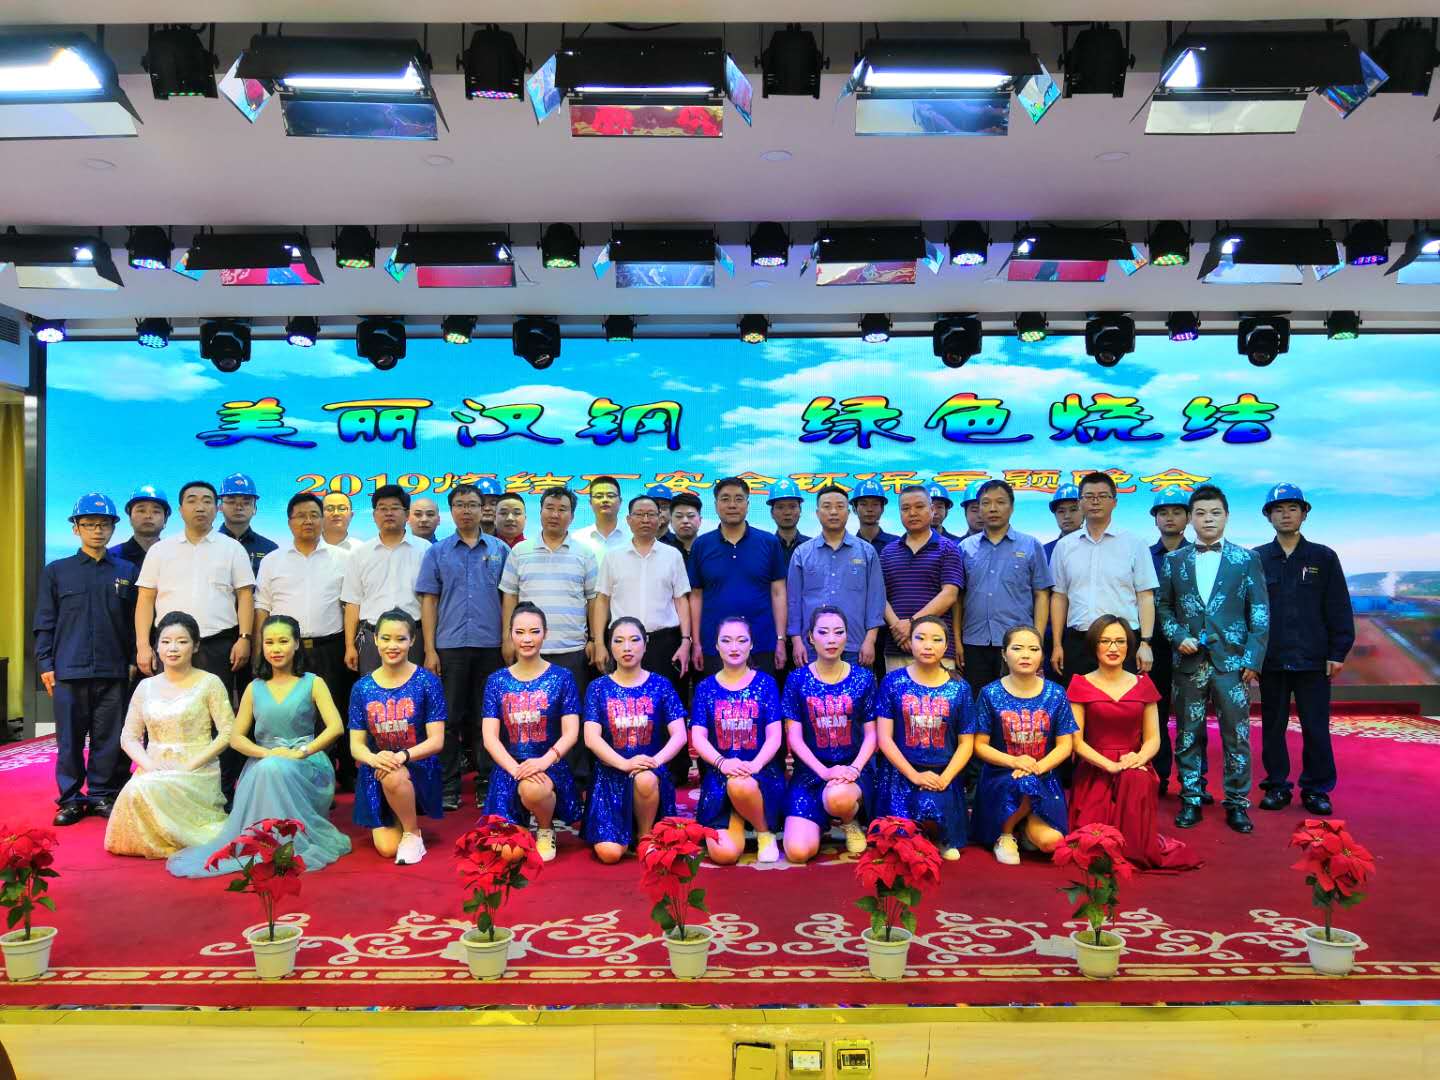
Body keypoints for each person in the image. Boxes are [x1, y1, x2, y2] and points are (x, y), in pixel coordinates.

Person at [167, 614, 352, 877]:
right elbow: (236, 738)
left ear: (296, 643)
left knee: (272, 769)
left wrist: (301, 752)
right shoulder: (254, 688)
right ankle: (269, 844)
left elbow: (336, 728)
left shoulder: (313, 682)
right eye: (269, 642)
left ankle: (288, 842)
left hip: (306, 763)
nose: (276, 649)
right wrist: (269, 754)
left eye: (283, 641)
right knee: (270, 768)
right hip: (264, 762)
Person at [1157, 485, 1270, 834]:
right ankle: (1191, 797)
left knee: (1237, 735)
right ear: (1190, 519)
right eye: (1201, 513)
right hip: (1188, 664)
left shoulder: (1246, 559)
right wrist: (1178, 637)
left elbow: (1260, 611)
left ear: (1227, 516)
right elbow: (1163, 607)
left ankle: (1237, 803)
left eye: (1215, 513)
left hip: (1233, 664)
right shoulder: (1174, 561)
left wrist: (1253, 658)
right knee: (1187, 734)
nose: (1208, 519)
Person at [135, 480, 254, 805]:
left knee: (219, 720)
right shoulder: (161, 550)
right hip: (171, 648)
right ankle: (167, 784)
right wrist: (143, 645)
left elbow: (245, 596)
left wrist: (244, 638)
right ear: (180, 509)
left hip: (219, 645)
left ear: (216, 508)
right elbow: (145, 599)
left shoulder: (232, 549)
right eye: (192, 500)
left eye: (206, 500)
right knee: (169, 717)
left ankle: (221, 790)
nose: (200, 506)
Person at [1067, 616, 1201, 872]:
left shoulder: (1143, 684)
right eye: (1106, 641)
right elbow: (1076, 742)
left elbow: (1153, 739)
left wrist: (1136, 759)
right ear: (1094, 645)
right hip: (1094, 766)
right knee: (1091, 848)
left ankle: (1135, 849)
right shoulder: (1080, 684)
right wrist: (1109, 765)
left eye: (1120, 641)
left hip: (1133, 763)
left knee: (1136, 779)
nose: (1113, 648)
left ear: (1129, 646)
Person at [1255, 483, 1355, 816]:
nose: (1286, 514)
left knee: (1316, 726)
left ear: (1304, 514)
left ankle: (1316, 789)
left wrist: (1338, 652)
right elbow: (1248, 610)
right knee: (1273, 726)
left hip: (1313, 659)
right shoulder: (1257, 559)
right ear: (1269, 516)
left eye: (1292, 508)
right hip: (1271, 659)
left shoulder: (1323, 557)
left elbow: (1338, 606)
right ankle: (1277, 785)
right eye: (1278, 509)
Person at [36, 493, 136, 825]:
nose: (97, 530)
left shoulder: (126, 571)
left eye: (104, 524)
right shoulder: (57, 571)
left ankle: (100, 795)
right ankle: (70, 800)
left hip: (113, 669)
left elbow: (134, 623)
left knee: (108, 739)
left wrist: (132, 661)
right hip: (68, 670)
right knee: (69, 740)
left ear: (113, 528)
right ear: (76, 528)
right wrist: (45, 664)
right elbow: (44, 622)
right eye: (90, 524)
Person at [105, 612, 233, 858]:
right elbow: (128, 737)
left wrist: (190, 765)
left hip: (197, 769)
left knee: (142, 789)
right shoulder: (145, 686)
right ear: (156, 647)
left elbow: (228, 732)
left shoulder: (210, 683)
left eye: (182, 641)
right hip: (154, 767)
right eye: (165, 642)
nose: (173, 648)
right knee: (136, 789)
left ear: (195, 646)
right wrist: (149, 765)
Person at [417, 483, 510, 811]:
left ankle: (487, 782)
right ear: (451, 510)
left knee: (488, 718)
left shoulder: (500, 550)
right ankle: (448, 785)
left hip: (491, 645)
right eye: (459, 505)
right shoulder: (437, 552)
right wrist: (430, 649)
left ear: (483, 509)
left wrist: (508, 640)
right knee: (449, 718)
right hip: (450, 646)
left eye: (472, 504)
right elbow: (429, 601)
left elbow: (509, 599)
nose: (466, 510)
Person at [253, 492, 352, 788]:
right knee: (295, 716)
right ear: (289, 522)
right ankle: (296, 775)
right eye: (300, 516)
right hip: (286, 652)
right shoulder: (273, 561)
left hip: (330, 646)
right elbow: (262, 607)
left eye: (313, 515)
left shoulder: (343, 558)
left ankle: (334, 776)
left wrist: (350, 645)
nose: (307, 521)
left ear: (322, 519)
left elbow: (350, 605)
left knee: (333, 712)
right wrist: (259, 648)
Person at [581, 618, 689, 864]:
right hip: (611, 777)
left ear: (645, 643)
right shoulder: (598, 688)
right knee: (609, 854)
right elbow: (591, 738)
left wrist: (654, 762)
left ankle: (644, 835)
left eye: (634, 640)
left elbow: (680, 735)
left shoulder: (661, 684)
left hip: (648, 775)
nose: (627, 648)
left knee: (645, 778)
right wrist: (625, 764)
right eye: (619, 641)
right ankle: (620, 835)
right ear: (610, 646)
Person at [481, 603, 582, 862]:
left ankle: (545, 828)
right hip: (509, 766)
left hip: (549, 765)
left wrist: (543, 762)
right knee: (507, 853)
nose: (527, 639)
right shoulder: (496, 681)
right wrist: (515, 770)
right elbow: (490, 738)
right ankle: (522, 825)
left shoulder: (562, 677)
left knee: (533, 789)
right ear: (510, 634)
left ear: (545, 634)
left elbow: (571, 732)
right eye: (520, 632)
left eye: (534, 632)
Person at [347, 609, 446, 864]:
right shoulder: (362, 688)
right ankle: (399, 815)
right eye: (386, 638)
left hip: (417, 765)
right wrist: (374, 759)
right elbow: (356, 746)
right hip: (378, 768)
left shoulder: (427, 682)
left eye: (401, 639)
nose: (393, 646)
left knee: (394, 775)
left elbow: (437, 741)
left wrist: (402, 756)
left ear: (412, 641)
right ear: (375, 640)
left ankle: (412, 833)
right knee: (387, 849)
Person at [875, 615, 977, 860]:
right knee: (899, 841)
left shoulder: (960, 687)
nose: (928, 645)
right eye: (920, 638)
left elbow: (966, 743)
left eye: (936, 640)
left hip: (943, 774)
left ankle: (938, 835)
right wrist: (914, 775)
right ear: (910, 642)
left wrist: (945, 778)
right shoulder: (893, 682)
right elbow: (884, 738)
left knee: (933, 810)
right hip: (901, 774)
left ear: (947, 645)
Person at [781, 608, 879, 863]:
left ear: (847, 636)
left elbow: (872, 735)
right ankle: (820, 819)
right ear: (811, 637)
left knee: (838, 798)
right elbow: (794, 738)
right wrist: (823, 772)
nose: (831, 639)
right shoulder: (796, 679)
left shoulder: (864, 678)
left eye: (838, 632)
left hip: (852, 772)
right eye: (823, 632)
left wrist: (854, 769)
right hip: (811, 772)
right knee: (797, 852)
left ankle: (849, 819)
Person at [973, 625, 1076, 864]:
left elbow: (1065, 746)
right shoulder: (990, 693)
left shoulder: (1056, 693)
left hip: (1042, 775)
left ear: (1042, 654)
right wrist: (1015, 762)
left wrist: (1036, 767)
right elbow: (979, 745)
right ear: (1004, 654)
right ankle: (1006, 834)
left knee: (1051, 843)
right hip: (1001, 776)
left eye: (1033, 649)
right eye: (1018, 648)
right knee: (1024, 783)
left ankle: (1024, 824)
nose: (1026, 655)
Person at [690, 616, 785, 864]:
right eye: (727, 640)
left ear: (751, 644)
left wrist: (755, 765)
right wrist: (722, 763)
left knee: (741, 785)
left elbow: (775, 736)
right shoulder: (705, 688)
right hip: (721, 775)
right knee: (724, 855)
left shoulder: (766, 683)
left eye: (742, 640)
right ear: (716, 645)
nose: (734, 647)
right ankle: (738, 815)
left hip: (760, 774)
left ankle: (764, 832)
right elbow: (698, 737)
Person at [1049, 472, 1158, 681]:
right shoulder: (1064, 546)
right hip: (1078, 642)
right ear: (1080, 502)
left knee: (1122, 700)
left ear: (1114, 502)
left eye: (1102, 496)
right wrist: (1057, 644)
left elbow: (1145, 596)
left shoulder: (1135, 543)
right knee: (1077, 699)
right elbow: (1059, 597)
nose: (1095, 501)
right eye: (1089, 496)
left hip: (1123, 641)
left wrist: (1146, 643)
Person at [500, 487, 601, 704]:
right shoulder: (520, 551)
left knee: (572, 711)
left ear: (572, 516)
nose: (555, 514)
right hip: (528, 648)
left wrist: (594, 639)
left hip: (572, 649)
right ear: (540, 512)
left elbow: (594, 599)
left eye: (562, 509)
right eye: (549, 508)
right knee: (531, 711)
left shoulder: (585, 553)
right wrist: (508, 639)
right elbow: (510, 597)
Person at [959, 479, 1053, 694]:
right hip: (974, 642)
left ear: (1011, 507)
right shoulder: (965, 548)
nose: (993, 508)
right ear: (979, 508)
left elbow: (1041, 594)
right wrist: (957, 640)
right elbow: (958, 598)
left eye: (1000, 502)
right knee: (977, 701)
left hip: (1018, 644)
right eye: (986, 503)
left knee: (1017, 702)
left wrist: (1036, 641)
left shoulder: (1031, 545)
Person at [689, 477, 788, 675]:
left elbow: (778, 593)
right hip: (714, 645)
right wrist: (697, 643)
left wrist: (780, 639)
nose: (732, 505)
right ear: (716, 505)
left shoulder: (769, 542)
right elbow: (696, 596)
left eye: (739, 499)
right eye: (725, 499)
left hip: (762, 642)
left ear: (748, 504)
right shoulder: (701, 545)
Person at [595, 495, 692, 684]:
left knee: (666, 697)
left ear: (660, 518)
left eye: (651, 514)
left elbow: (681, 600)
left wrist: (685, 640)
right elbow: (602, 600)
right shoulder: (613, 557)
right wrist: (599, 642)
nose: (645, 520)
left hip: (664, 643)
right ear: (628, 520)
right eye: (639, 514)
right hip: (623, 643)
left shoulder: (672, 555)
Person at [786, 485, 885, 668]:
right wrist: (797, 640)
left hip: (856, 646)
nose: (833, 512)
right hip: (812, 647)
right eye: (827, 506)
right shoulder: (802, 553)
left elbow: (875, 600)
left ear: (848, 512)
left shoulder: (866, 552)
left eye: (840, 506)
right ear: (817, 513)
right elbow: (793, 600)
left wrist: (870, 640)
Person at [342, 484, 428, 675]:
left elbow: (431, 602)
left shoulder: (425, 550)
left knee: (415, 690)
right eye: (382, 508)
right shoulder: (359, 554)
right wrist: (349, 646)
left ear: (407, 514)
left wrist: (430, 648)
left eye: (395, 508)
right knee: (373, 692)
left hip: (414, 637)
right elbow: (353, 602)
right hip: (372, 638)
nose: (389, 513)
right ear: (374, 515)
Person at [879, 485, 964, 673]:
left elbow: (949, 595)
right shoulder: (888, 552)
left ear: (932, 510)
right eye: (905, 508)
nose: (912, 513)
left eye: (919, 506)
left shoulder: (948, 548)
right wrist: (898, 629)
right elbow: (880, 596)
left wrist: (912, 625)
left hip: (936, 648)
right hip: (897, 647)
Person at [1147, 486, 1193, 798]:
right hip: (1156, 648)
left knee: (1192, 716)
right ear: (1155, 519)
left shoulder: (1200, 555)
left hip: (1192, 646)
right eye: (1163, 512)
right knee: (1156, 713)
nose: (1170, 518)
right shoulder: (1145, 556)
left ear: (1188, 518)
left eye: (1177, 512)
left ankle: (1193, 781)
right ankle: (1159, 775)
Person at [218, 473, 279, 581]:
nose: (238, 507)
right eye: (231, 502)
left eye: (246, 503)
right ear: (220, 507)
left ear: (255, 508)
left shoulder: (270, 549)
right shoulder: (207, 545)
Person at [108, 483, 169, 572]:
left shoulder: (176, 556)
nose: (148, 516)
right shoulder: (111, 557)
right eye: (141, 510)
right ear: (130, 517)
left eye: (156, 511)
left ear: (165, 519)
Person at [572, 476, 629, 565]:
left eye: (610, 496)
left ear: (620, 501)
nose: (605, 500)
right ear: (590, 503)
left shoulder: (633, 535)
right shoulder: (577, 538)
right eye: (599, 496)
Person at [850, 479, 900, 556]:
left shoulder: (897, 544)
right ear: (854, 509)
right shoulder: (849, 547)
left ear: (882, 509)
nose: (869, 509)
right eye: (863, 504)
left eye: (875, 504)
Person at [767, 478, 811, 566]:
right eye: (780, 507)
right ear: (772, 513)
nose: (787, 512)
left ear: (800, 511)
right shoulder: (765, 547)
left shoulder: (811, 547)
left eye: (792, 506)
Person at [659, 491, 703, 572]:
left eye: (690, 516)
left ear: (700, 520)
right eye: (679, 516)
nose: (685, 521)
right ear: (671, 521)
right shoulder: (660, 548)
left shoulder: (710, 547)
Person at [1043, 484, 1082, 563]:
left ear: (1084, 512)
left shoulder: (1096, 547)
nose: (1067, 516)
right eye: (1061, 511)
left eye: (1073, 510)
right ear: (1055, 515)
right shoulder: (1044, 551)